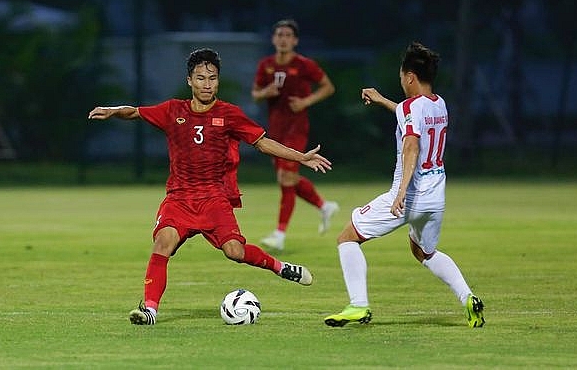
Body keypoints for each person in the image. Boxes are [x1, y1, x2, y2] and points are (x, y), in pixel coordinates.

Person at [88, 48, 332, 326]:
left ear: (218, 80)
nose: (207, 84)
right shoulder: (173, 110)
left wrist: (301, 157)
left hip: (214, 198)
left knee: (235, 252)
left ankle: (280, 267)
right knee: (163, 242)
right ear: (189, 80)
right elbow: (135, 112)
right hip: (179, 198)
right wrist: (113, 110)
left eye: (212, 78)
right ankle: (150, 311)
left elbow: (262, 142)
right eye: (201, 78)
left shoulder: (229, 114)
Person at [323, 42, 485, 328]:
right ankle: (468, 298)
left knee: (347, 238)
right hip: (435, 199)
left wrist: (400, 192)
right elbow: (411, 116)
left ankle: (358, 305)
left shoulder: (411, 107)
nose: (401, 81)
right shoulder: (439, 104)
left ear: (410, 77)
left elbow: (411, 144)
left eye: (401, 76)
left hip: (409, 196)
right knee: (424, 252)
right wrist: (382, 100)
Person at [251, 18, 339, 252]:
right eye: (279, 34)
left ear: (295, 40)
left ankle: (279, 234)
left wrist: (306, 101)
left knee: (286, 177)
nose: (283, 39)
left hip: (296, 129)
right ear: (273, 39)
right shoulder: (266, 65)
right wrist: (265, 92)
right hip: (275, 131)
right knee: (288, 178)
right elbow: (255, 94)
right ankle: (324, 206)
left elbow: (328, 87)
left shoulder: (304, 65)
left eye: (288, 35)